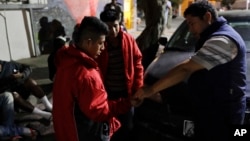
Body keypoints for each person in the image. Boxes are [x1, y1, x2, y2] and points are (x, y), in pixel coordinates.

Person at [132, 1, 246, 141]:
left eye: (192, 24)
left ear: (207, 17)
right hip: (210, 109)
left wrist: (151, 90)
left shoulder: (223, 41)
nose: (191, 30)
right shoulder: (212, 36)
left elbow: (185, 69)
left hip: (223, 114)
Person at [52, 16, 132, 141]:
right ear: (88, 42)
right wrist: (127, 103)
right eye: (100, 43)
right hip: (83, 133)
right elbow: (98, 111)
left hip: (66, 130)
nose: (103, 48)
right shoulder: (86, 74)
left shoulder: (65, 61)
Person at [98, 9, 144, 141]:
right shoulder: (100, 43)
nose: (112, 30)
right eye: (108, 27)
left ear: (120, 24)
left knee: (127, 125)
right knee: (109, 125)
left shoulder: (128, 40)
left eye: (115, 26)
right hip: (108, 93)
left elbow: (138, 63)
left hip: (126, 92)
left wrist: (138, 87)